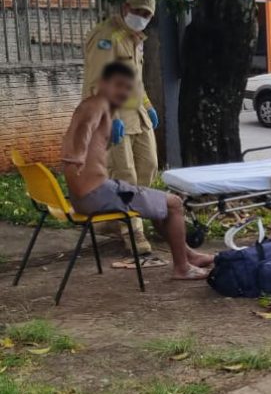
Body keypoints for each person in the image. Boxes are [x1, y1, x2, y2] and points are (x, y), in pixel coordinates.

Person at [62, 62, 214, 280]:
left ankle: (189, 255)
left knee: (156, 202)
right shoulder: (98, 106)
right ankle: (182, 267)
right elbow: (85, 128)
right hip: (96, 194)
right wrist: (77, 153)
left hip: (84, 196)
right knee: (174, 204)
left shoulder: (86, 105)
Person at [81, 0, 160, 264]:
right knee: (124, 175)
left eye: (147, 15)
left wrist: (148, 105)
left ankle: (116, 220)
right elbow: (96, 82)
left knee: (149, 167)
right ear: (126, 7)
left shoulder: (135, 38)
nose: (142, 18)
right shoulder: (106, 36)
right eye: (139, 12)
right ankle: (133, 233)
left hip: (136, 115)